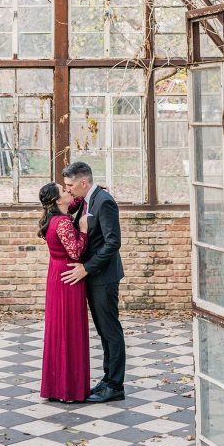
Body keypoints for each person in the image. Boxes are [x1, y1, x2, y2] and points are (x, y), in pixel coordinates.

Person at [60, 161, 126, 402]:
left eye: (70, 185)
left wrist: (86, 268)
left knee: (110, 331)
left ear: (83, 182)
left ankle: (115, 385)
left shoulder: (104, 201)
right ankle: (108, 379)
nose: (67, 190)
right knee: (103, 330)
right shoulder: (89, 199)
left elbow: (113, 242)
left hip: (103, 278)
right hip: (94, 277)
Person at [38, 181, 91, 403]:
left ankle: (56, 386)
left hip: (56, 274)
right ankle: (69, 389)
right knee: (69, 328)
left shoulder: (55, 216)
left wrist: (90, 190)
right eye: (64, 190)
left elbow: (75, 200)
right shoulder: (62, 223)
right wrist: (83, 229)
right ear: (58, 200)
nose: (68, 190)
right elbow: (76, 251)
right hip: (68, 276)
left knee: (59, 328)